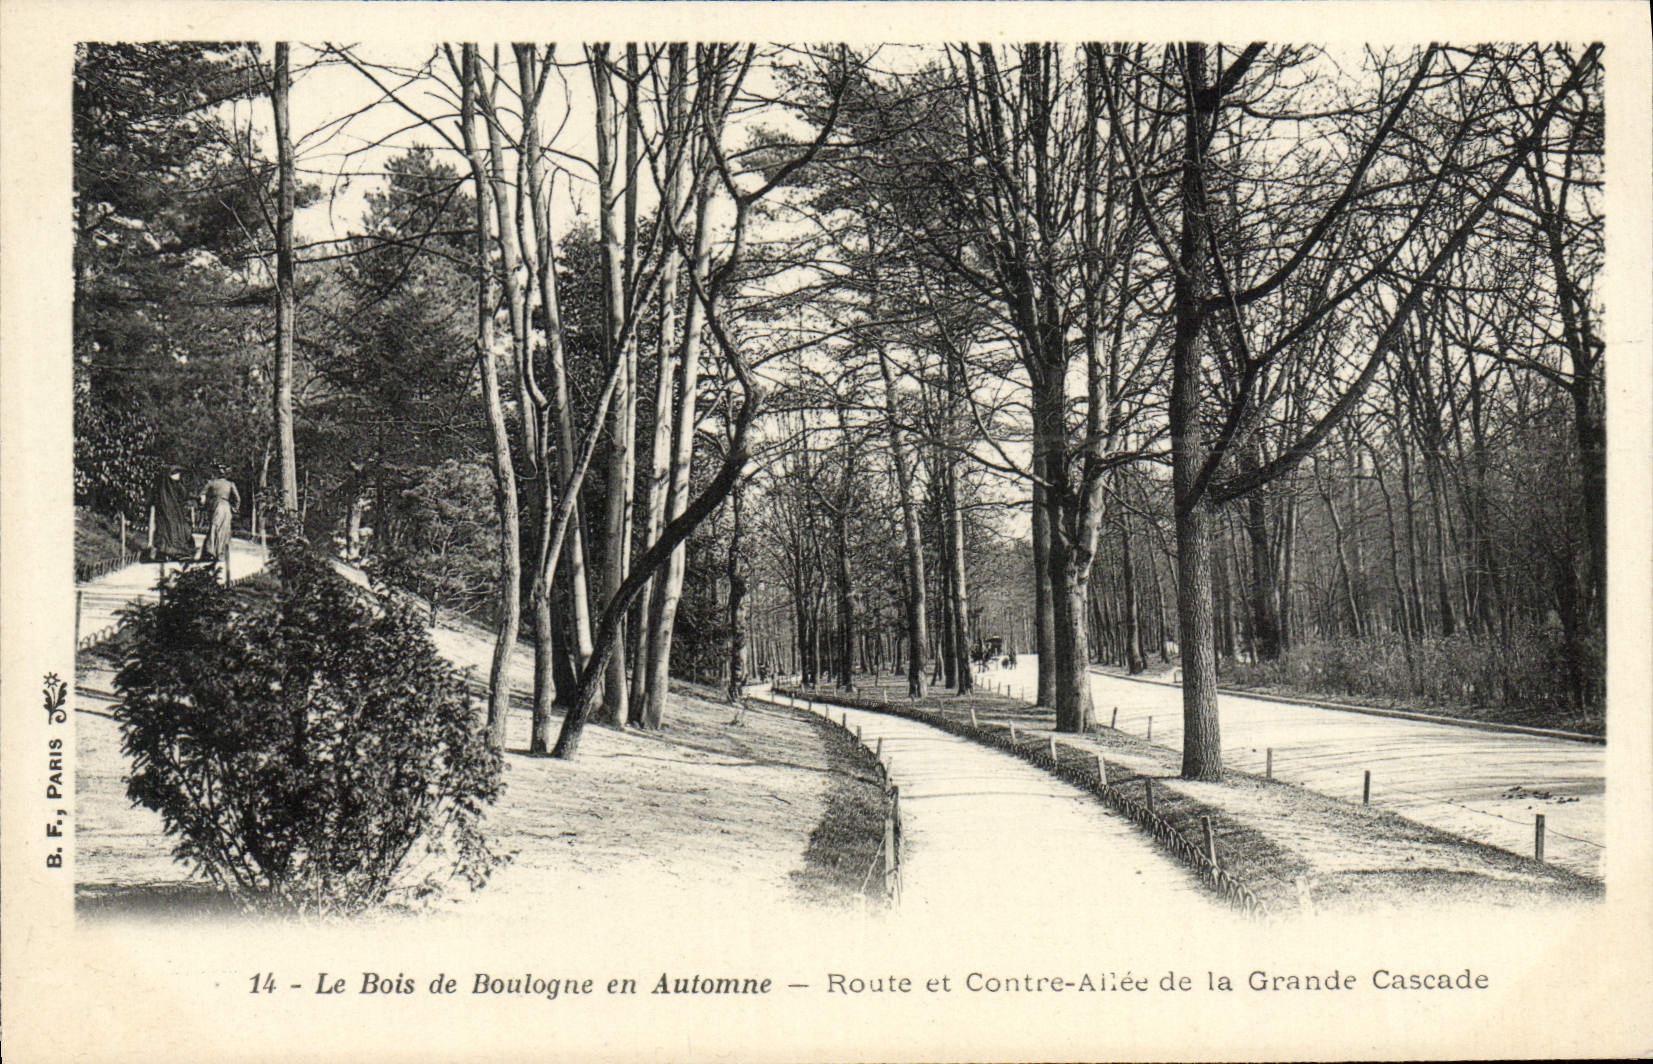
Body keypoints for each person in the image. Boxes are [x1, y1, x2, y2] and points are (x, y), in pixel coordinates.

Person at [197, 466, 241, 583]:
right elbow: (237, 498)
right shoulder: (230, 484)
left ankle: (211, 551)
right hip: (226, 508)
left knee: (213, 528)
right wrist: (234, 509)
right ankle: (220, 553)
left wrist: (202, 505)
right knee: (224, 530)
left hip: (215, 507)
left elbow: (201, 496)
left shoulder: (211, 483)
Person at [146, 465, 195, 567]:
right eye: (176, 473)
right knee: (170, 531)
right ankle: (172, 551)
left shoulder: (164, 487)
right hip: (169, 514)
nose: (178, 475)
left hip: (170, 513)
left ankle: (166, 551)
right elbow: (184, 495)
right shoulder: (172, 486)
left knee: (171, 531)